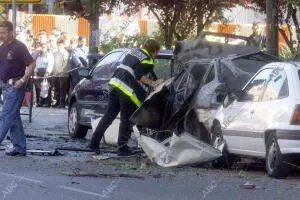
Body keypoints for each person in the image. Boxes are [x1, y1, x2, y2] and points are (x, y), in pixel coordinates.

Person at [88, 39, 164, 156]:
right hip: (126, 90)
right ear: (154, 51)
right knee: (126, 120)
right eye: (157, 53)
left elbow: (148, 72)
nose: (156, 56)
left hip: (114, 84)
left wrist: (155, 79)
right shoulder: (148, 59)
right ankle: (122, 148)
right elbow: (140, 76)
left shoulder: (134, 52)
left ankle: (93, 143)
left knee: (108, 117)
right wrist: (154, 84)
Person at [0, 21, 36, 156]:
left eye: (3, 33)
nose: (1, 35)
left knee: (5, 116)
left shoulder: (19, 46)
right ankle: (19, 147)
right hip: (5, 86)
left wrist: (23, 80)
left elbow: (32, 64)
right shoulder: (2, 48)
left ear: (10, 32)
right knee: (14, 117)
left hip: (16, 85)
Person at [34, 43, 54, 107]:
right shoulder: (39, 55)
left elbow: (50, 64)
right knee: (39, 87)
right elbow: (37, 64)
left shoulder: (49, 55)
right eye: (42, 47)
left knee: (46, 87)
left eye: (44, 47)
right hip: (39, 72)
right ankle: (40, 102)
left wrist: (47, 72)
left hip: (46, 72)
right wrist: (35, 72)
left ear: (47, 48)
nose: (43, 48)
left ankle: (47, 102)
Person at [52, 39, 70, 108]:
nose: (59, 46)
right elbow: (53, 63)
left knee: (62, 89)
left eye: (60, 45)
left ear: (63, 45)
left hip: (63, 75)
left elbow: (65, 64)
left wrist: (59, 71)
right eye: (58, 45)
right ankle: (57, 102)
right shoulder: (55, 53)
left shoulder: (65, 53)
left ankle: (62, 103)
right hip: (55, 74)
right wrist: (54, 71)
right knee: (57, 89)